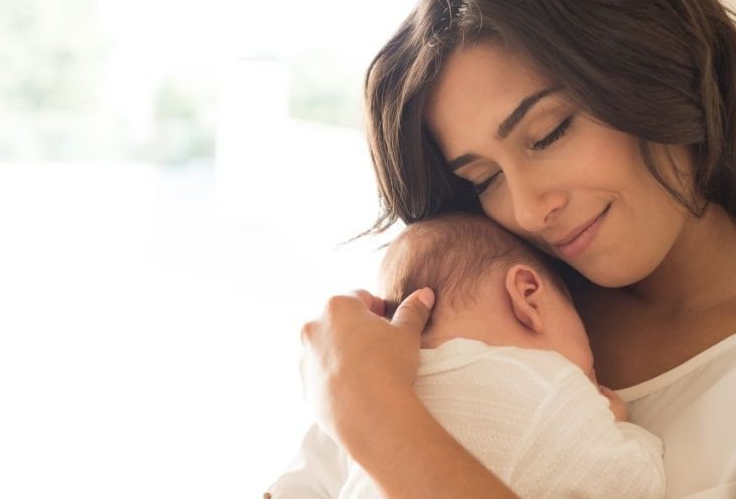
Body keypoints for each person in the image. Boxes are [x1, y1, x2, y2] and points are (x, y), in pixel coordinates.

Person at [297, 0, 736, 497]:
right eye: (483, 178)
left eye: (549, 133)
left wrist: (372, 419)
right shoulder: (492, 311)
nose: (528, 210)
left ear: (657, 71)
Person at [270, 212, 666, 498]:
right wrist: (618, 427)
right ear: (528, 295)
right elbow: (634, 482)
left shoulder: (362, 397)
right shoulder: (548, 385)